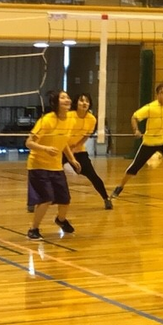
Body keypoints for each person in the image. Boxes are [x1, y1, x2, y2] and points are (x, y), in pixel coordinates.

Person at [25, 90, 83, 240]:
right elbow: (29, 143)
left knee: (65, 199)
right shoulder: (46, 120)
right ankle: (33, 229)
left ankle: (61, 220)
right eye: (63, 98)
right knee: (46, 199)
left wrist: (71, 159)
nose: (67, 100)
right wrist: (45, 149)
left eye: (68, 97)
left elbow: (64, 142)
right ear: (56, 102)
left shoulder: (71, 120)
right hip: (38, 165)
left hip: (56, 166)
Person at [113, 82, 163, 198]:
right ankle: (120, 187)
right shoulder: (150, 107)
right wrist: (136, 130)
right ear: (157, 95)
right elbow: (134, 117)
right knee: (135, 166)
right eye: (161, 93)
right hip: (150, 142)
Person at [68, 92, 111, 209]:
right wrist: (68, 151)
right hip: (63, 149)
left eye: (87, 101)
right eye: (81, 100)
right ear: (76, 103)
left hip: (78, 150)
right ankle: (35, 201)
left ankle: (106, 198)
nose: (84, 103)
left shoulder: (92, 119)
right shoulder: (69, 116)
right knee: (51, 174)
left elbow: (86, 135)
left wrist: (77, 146)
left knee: (92, 175)